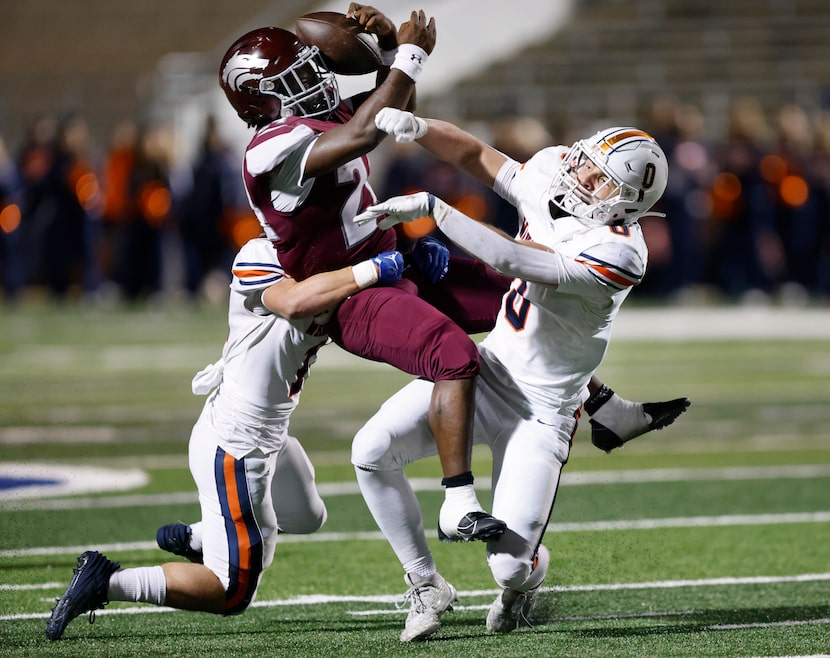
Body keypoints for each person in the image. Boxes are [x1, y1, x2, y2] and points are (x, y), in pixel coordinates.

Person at [351, 113, 689, 641]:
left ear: (627, 202)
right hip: (489, 371)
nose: (580, 175)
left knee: (509, 567)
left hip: (541, 413)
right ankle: (424, 581)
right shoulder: (557, 170)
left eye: (600, 179)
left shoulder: (621, 251)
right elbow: (476, 156)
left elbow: (513, 258)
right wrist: (416, 126)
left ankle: (523, 589)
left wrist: (436, 211)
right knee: (370, 449)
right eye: (585, 161)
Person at [218, 4, 506, 542]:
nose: (314, 80)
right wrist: (413, 56)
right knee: (453, 354)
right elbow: (365, 132)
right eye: (295, 78)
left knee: (520, 296)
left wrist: (392, 53)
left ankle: (599, 404)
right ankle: (458, 503)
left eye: (311, 68)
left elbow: (391, 118)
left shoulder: (316, 122)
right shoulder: (267, 150)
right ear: (260, 98)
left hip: (396, 259)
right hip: (353, 292)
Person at [45, 237, 406, 640]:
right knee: (232, 592)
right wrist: (373, 269)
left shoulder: (332, 262)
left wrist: (415, 265)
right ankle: (105, 580)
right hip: (236, 448)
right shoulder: (262, 254)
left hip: (270, 436)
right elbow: (295, 302)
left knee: (307, 516)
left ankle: (202, 537)